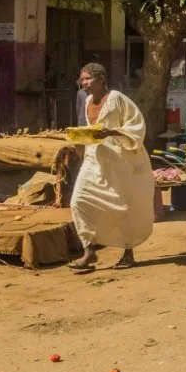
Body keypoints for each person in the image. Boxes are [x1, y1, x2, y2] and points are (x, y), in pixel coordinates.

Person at [68, 63, 154, 271]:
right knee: (78, 201)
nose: (83, 83)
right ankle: (89, 251)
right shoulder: (86, 100)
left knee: (123, 206)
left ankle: (128, 253)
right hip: (94, 158)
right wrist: (79, 138)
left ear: (101, 79)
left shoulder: (117, 98)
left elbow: (137, 125)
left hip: (120, 160)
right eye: (82, 79)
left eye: (88, 78)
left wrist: (112, 132)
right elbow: (90, 128)